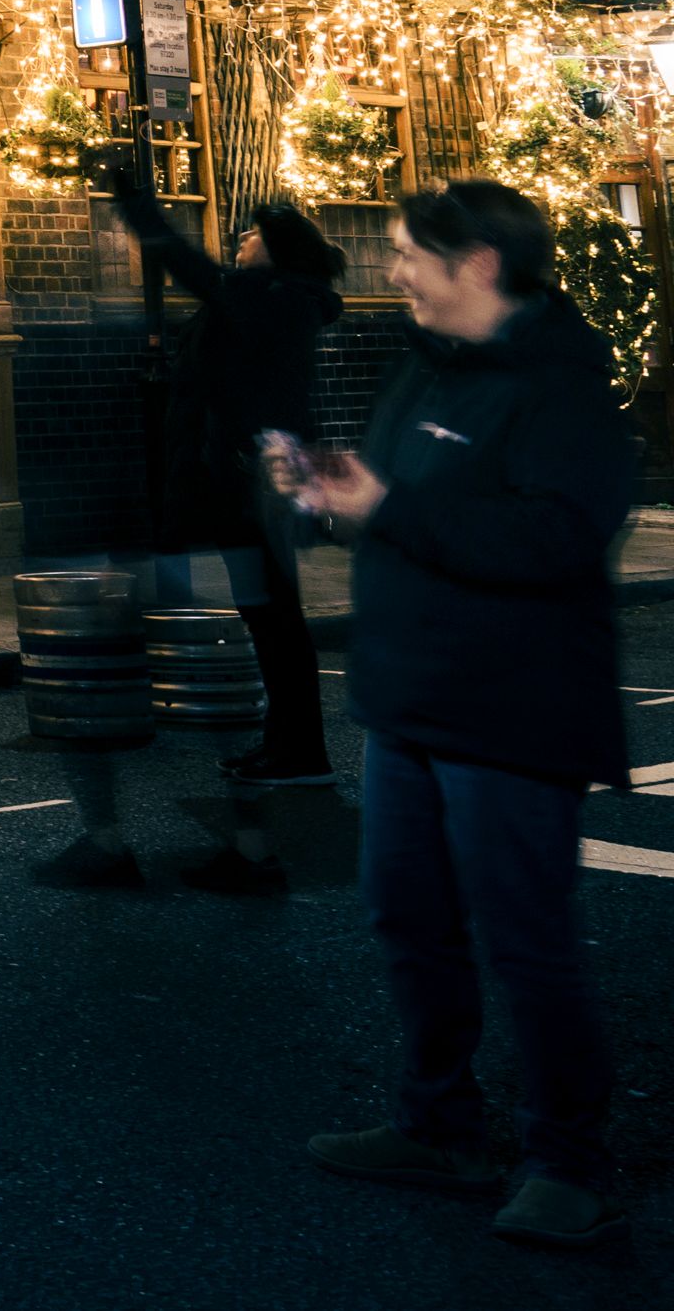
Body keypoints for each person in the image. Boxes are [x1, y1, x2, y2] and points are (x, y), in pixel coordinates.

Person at [288, 179, 636, 1253]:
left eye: (408, 256)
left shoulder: (563, 394)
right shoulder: (423, 367)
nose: (391, 272)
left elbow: (552, 543)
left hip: (513, 715)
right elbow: (403, 514)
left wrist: (388, 505)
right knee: (410, 923)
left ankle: (567, 1164)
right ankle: (438, 1125)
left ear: (478, 265)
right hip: (411, 702)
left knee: (528, 945)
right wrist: (330, 492)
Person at [110, 150, 346, 787]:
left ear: (279, 249)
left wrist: (136, 203)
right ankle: (286, 746)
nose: (241, 240)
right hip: (239, 476)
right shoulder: (261, 299)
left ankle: (300, 754)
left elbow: (189, 268)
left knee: (275, 619)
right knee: (265, 616)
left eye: (252, 234)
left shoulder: (281, 300)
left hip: (258, 480)